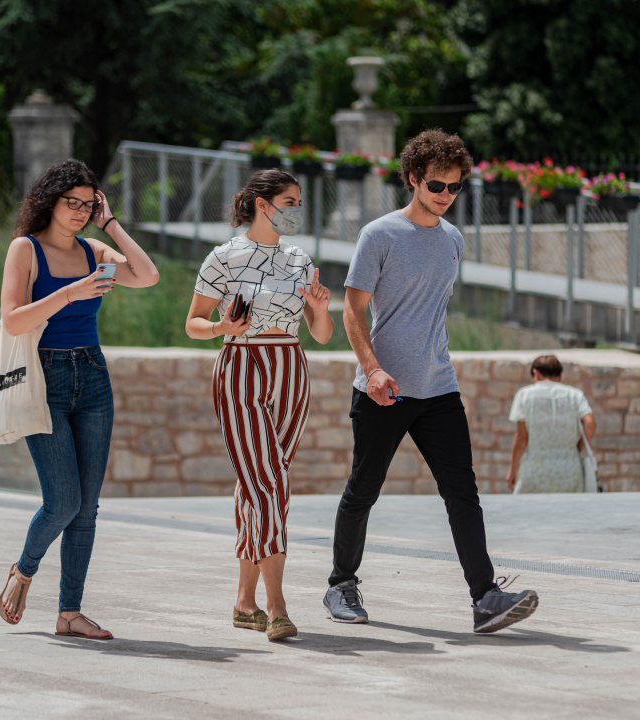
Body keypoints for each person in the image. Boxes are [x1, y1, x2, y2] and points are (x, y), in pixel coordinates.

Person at [324, 129, 539, 634]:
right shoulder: (378, 235)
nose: (446, 196)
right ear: (414, 180)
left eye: (454, 187)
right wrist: (373, 370)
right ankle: (340, 584)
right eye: (437, 185)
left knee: (462, 492)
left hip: (439, 386)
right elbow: (353, 310)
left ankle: (485, 597)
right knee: (364, 489)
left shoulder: (453, 239)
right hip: (384, 388)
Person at [0, 159, 160, 639]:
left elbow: (148, 276)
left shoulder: (94, 249)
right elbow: (12, 320)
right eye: (74, 203)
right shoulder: (24, 250)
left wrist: (111, 224)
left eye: (89, 205)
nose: (80, 212)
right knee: (63, 501)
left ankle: (69, 613)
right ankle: (24, 570)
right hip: (43, 377)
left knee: (87, 508)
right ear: (50, 199)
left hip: (91, 376)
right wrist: (71, 294)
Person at [185, 169, 333, 641]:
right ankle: (277, 606)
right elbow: (192, 323)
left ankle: (244, 602)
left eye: (299, 202)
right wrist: (220, 330)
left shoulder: (300, 259)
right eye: (289, 201)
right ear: (261, 203)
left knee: (264, 482)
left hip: (291, 367)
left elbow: (322, 335)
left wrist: (323, 310)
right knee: (269, 484)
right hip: (241, 365)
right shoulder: (223, 256)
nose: (296, 210)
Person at [506, 355, 597, 493]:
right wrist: (577, 448)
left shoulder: (524, 395)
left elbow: (521, 437)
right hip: (570, 469)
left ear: (536, 374)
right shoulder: (575, 395)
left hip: (535, 469)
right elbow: (590, 424)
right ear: (559, 377)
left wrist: (512, 470)